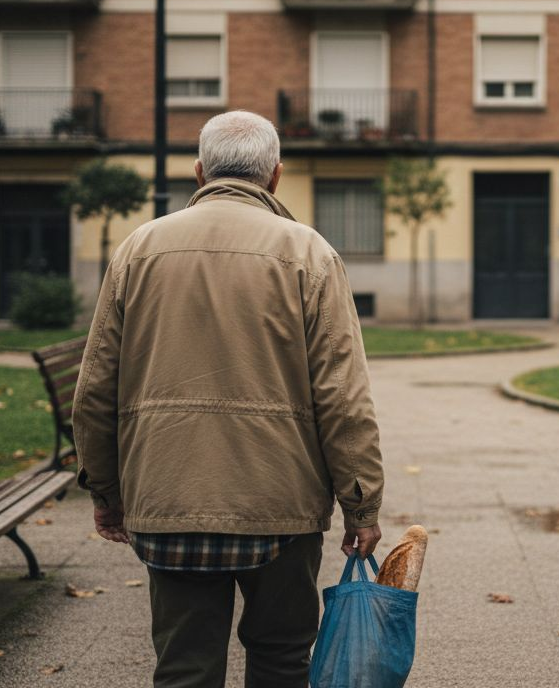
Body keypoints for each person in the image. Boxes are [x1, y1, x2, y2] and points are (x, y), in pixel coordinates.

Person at [72, 110, 384, 688]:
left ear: (199, 173)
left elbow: (95, 390)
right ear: (275, 177)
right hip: (280, 505)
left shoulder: (139, 249)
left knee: (184, 666)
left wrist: (106, 489)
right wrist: (360, 505)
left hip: (169, 498)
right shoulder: (309, 253)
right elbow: (344, 398)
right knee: (281, 657)